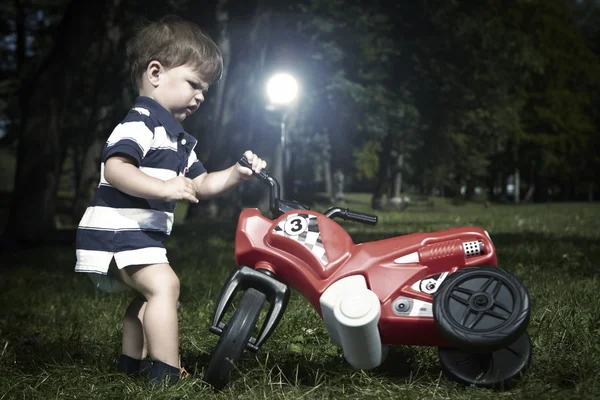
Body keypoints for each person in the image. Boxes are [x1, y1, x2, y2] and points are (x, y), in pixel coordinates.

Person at [74, 15, 266, 385]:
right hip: (118, 229)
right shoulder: (141, 122)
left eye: (206, 90)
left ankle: (131, 363)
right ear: (156, 73)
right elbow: (115, 168)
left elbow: (203, 183)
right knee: (165, 287)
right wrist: (162, 188)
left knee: (147, 300)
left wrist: (236, 173)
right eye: (194, 83)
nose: (201, 96)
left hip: (140, 236)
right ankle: (166, 371)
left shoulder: (177, 138)